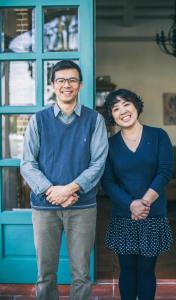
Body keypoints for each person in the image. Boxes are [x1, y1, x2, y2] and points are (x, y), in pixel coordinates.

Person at [20, 60, 108, 300]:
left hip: (82, 207)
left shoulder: (94, 120)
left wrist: (69, 189)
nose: (66, 85)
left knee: (81, 274)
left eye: (72, 80)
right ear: (53, 85)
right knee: (45, 273)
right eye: (61, 80)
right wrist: (52, 191)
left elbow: (98, 163)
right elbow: (27, 164)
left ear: (80, 85)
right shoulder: (38, 120)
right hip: (44, 208)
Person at [101, 88, 173, 300]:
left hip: (152, 215)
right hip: (124, 216)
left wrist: (144, 203)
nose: (123, 111)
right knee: (127, 270)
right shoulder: (110, 145)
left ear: (136, 106)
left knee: (147, 271)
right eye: (116, 108)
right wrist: (130, 204)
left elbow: (164, 172)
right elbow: (108, 182)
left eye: (127, 104)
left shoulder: (159, 136)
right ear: (112, 115)